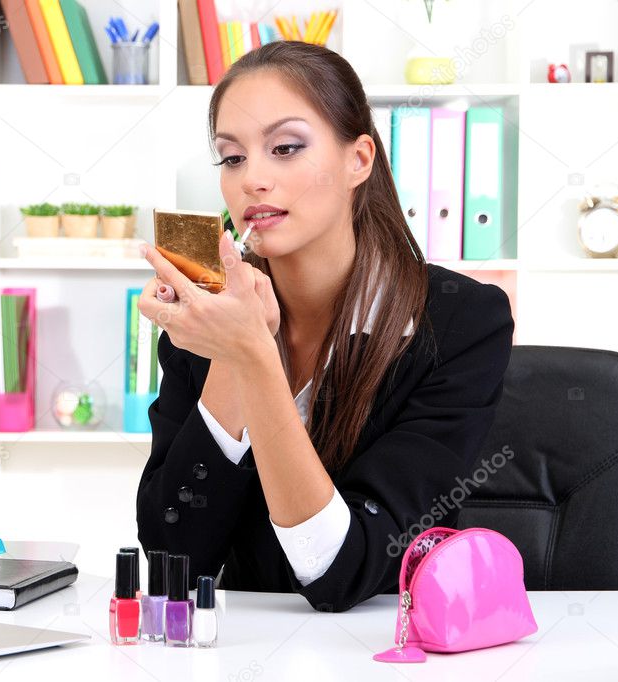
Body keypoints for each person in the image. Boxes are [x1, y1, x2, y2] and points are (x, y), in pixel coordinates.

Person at [135, 41, 514, 612]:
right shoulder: (209, 321)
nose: (252, 180)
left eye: (285, 148)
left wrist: (251, 356)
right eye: (232, 158)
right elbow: (174, 557)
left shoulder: (462, 321)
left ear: (358, 160)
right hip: (236, 656)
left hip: (382, 654)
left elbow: (342, 575)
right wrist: (229, 357)